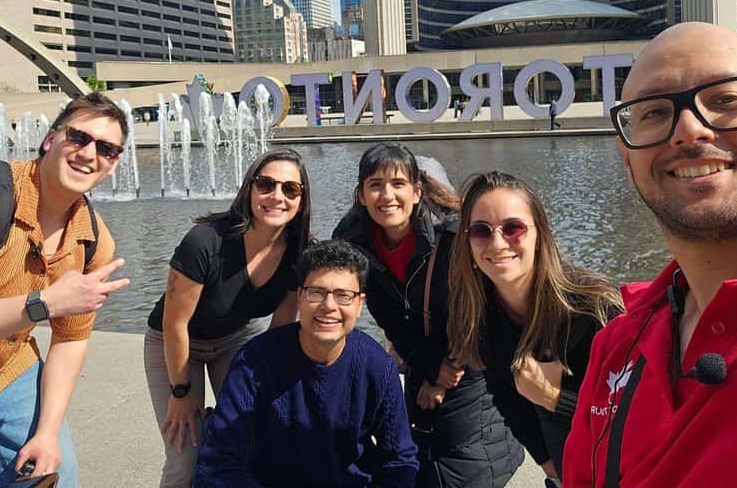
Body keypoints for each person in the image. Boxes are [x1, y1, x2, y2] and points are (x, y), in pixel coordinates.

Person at [562, 22, 737, 487]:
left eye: (724, 100)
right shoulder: (616, 344)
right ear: (627, 158)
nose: (689, 130)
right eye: (655, 112)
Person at [0, 92, 131, 487]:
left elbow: (70, 341)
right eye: (78, 138)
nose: (89, 154)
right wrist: (44, 304)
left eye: (105, 148)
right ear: (50, 139)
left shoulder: (92, 241)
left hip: (7, 372)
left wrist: (48, 434)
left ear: (113, 164)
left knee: (57, 475)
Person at [333, 143, 523, 487]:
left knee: (464, 461)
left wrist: (444, 372)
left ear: (417, 191)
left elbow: (479, 310)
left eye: (398, 184)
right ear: (361, 195)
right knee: (420, 455)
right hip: (421, 357)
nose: (386, 195)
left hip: (471, 357)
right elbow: (386, 315)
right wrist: (426, 367)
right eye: (375, 185)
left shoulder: (451, 236)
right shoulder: (354, 240)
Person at [144, 148, 310, 488]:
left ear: (301, 200)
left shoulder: (298, 253)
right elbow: (175, 324)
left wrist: (266, 391)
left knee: (255, 440)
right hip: (175, 342)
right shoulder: (206, 242)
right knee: (184, 458)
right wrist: (180, 393)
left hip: (236, 339)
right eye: (266, 185)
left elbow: (280, 328)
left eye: (290, 189)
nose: (277, 196)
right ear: (250, 189)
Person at [192, 239, 419, 487]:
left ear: (359, 304)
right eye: (316, 293)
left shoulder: (377, 366)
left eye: (343, 295)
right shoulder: (255, 362)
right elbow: (217, 460)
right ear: (300, 297)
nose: (329, 306)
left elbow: (400, 458)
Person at [447, 172, 623, 486]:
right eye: (481, 231)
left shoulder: (596, 309)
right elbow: (507, 399)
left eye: (513, 227)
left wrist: (553, 398)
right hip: (567, 472)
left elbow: (637, 420)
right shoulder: (479, 315)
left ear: (540, 234)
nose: (498, 243)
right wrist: (548, 463)